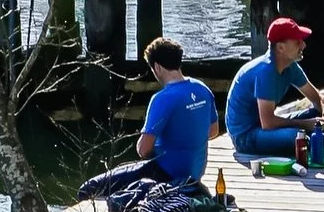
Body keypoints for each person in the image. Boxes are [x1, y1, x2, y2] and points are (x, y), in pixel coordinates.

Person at [77, 37, 219, 198]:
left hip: (166, 173)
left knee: (88, 188)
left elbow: (143, 150)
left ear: (157, 67)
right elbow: (213, 131)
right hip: (195, 173)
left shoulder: (163, 98)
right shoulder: (202, 89)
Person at [225, 16, 324, 160]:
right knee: (299, 138)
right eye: (297, 42)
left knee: (315, 115)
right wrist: (305, 124)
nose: (303, 45)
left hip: (263, 126)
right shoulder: (266, 72)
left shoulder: (290, 66)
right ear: (280, 47)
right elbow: (268, 123)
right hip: (246, 136)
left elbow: (316, 96)